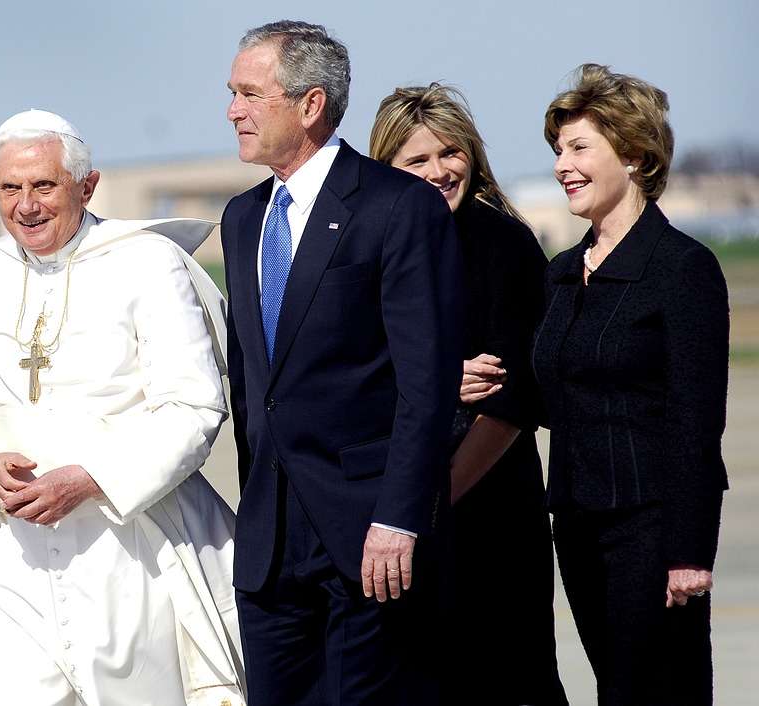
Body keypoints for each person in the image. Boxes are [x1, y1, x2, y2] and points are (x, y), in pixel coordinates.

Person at [0, 109, 245, 706]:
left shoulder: (149, 263)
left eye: (44, 186)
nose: (26, 206)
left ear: (87, 186)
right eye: (10, 189)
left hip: (129, 547)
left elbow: (195, 407)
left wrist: (93, 478)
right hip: (12, 557)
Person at [221, 21, 463, 705]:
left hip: (367, 536)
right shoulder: (244, 218)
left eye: (249, 93)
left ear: (309, 104)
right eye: (232, 93)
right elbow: (254, 385)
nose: (233, 109)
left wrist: (399, 517)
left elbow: (427, 384)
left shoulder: (397, 206)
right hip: (270, 542)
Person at [533, 64, 729, 705]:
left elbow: (697, 421)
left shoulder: (681, 269)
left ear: (636, 156)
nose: (563, 164)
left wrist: (689, 551)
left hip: (652, 530)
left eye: (579, 147)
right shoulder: (561, 275)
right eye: (558, 150)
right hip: (579, 528)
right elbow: (549, 393)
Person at [369, 82, 568, 705]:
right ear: (387, 170)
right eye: (415, 160)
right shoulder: (365, 251)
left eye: (449, 153)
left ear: (473, 156)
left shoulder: (505, 242)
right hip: (394, 509)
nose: (438, 171)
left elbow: (516, 397)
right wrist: (432, 384)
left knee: (511, 677)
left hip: (489, 504)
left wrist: (434, 502)